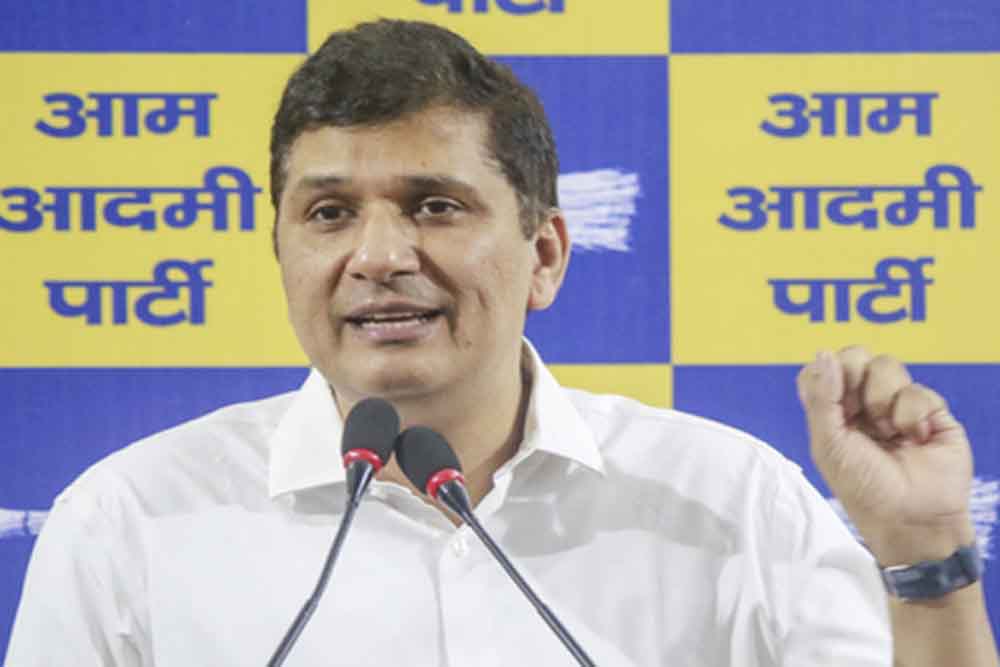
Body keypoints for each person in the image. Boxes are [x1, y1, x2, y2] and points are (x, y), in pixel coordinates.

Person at [7, 18, 997, 666]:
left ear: (546, 255)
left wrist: (924, 557)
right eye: (328, 213)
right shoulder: (130, 522)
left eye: (434, 205)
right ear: (282, 252)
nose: (377, 256)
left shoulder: (731, 501)